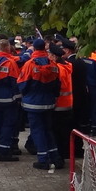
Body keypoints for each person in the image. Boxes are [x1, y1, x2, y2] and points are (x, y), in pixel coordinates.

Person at [17, 38, 61, 170]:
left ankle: (43, 159)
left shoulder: (30, 64)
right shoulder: (53, 65)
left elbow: (22, 84)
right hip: (48, 103)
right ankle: (55, 157)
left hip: (33, 104)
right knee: (48, 130)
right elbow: (57, 85)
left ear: (34, 49)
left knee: (37, 132)